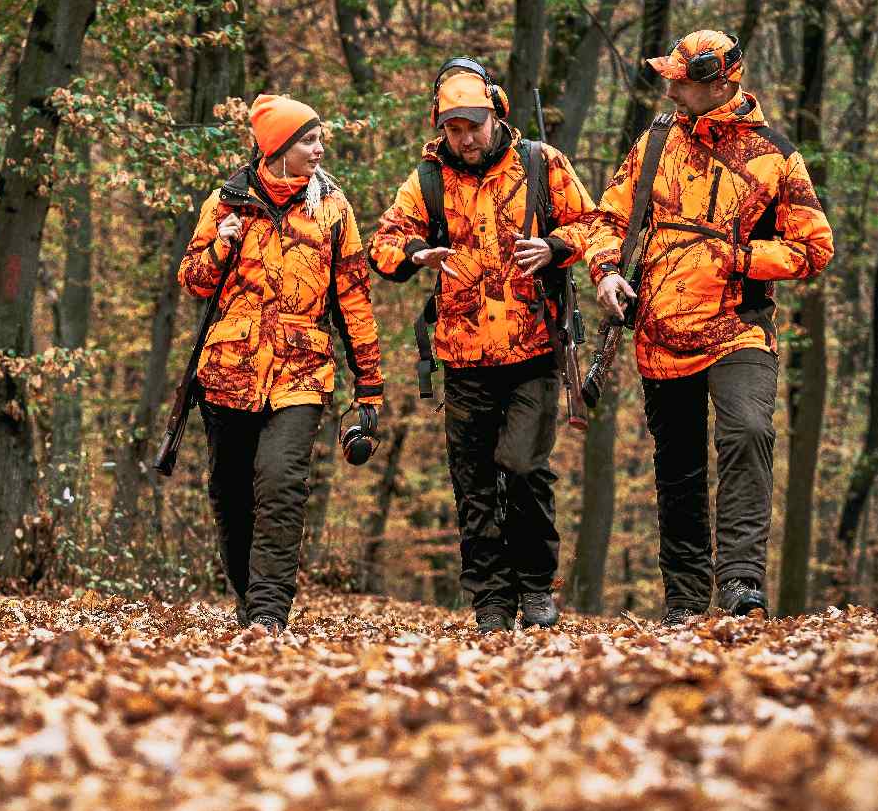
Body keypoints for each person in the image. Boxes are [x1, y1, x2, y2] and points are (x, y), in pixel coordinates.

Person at [586, 30, 834, 624]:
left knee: (748, 433)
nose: (670, 85)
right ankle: (686, 599)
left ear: (722, 84)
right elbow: (608, 218)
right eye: (669, 76)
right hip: (660, 330)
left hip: (739, 327)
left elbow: (815, 246)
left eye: (683, 78)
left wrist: (744, 259)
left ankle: (743, 583)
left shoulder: (774, 153)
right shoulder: (655, 143)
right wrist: (604, 273)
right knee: (678, 468)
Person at [367, 58, 594, 634]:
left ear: (496, 115)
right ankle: (490, 598)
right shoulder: (427, 179)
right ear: (441, 126)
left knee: (520, 470)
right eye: (454, 128)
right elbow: (383, 242)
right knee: (472, 484)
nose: (465, 139)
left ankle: (537, 587)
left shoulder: (542, 165)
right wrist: (416, 253)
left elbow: (594, 224)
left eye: (474, 125)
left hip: (536, 346)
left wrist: (553, 247)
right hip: (462, 355)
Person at [179, 93, 384, 633]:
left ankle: (269, 611)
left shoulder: (334, 209)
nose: (319, 149)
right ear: (277, 148)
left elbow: (355, 299)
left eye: (318, 139)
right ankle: (250, 598)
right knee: (230, 490)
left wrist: (370, 387)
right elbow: (194, 282)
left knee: (280, 483)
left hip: (300, 372)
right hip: (228, 371)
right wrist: (221, 245)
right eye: (308, 140)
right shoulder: (226, 202)